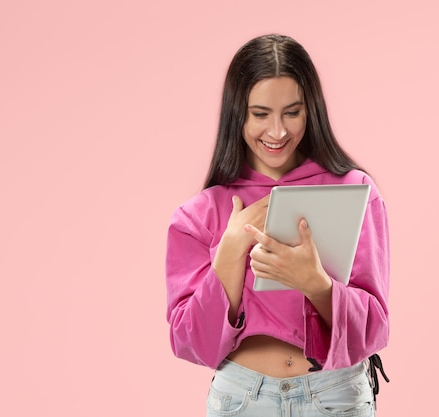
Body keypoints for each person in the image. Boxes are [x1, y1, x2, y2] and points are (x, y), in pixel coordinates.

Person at [165, 34, 390, 416]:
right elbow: (189, 343)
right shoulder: (200, 213)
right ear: (238, 114)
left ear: (311, 110)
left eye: (292, 112)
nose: (278, 131)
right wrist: (230, 253)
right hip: (242, 399)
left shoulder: (355, 193)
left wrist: (316, 284)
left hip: (335, 394)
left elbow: (374, 330)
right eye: (260, 114)